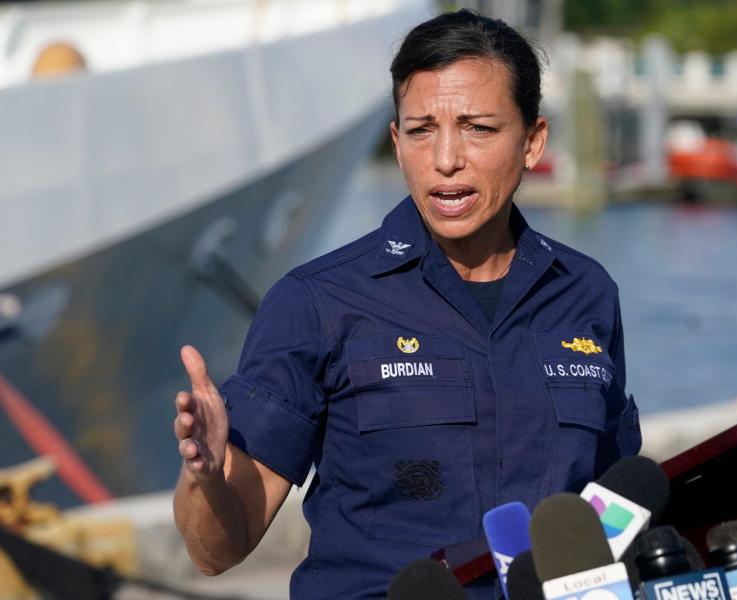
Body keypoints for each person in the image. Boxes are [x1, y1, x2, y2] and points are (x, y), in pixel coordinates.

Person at [172, 9, 641, 598]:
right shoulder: (317, 301)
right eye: (421, 129)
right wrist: (206, 477)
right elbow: (216, 550)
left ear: (533, 141)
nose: (446, 159)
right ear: (396, 143)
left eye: (478, 128)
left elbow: (617, 504)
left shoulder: (586, 292)